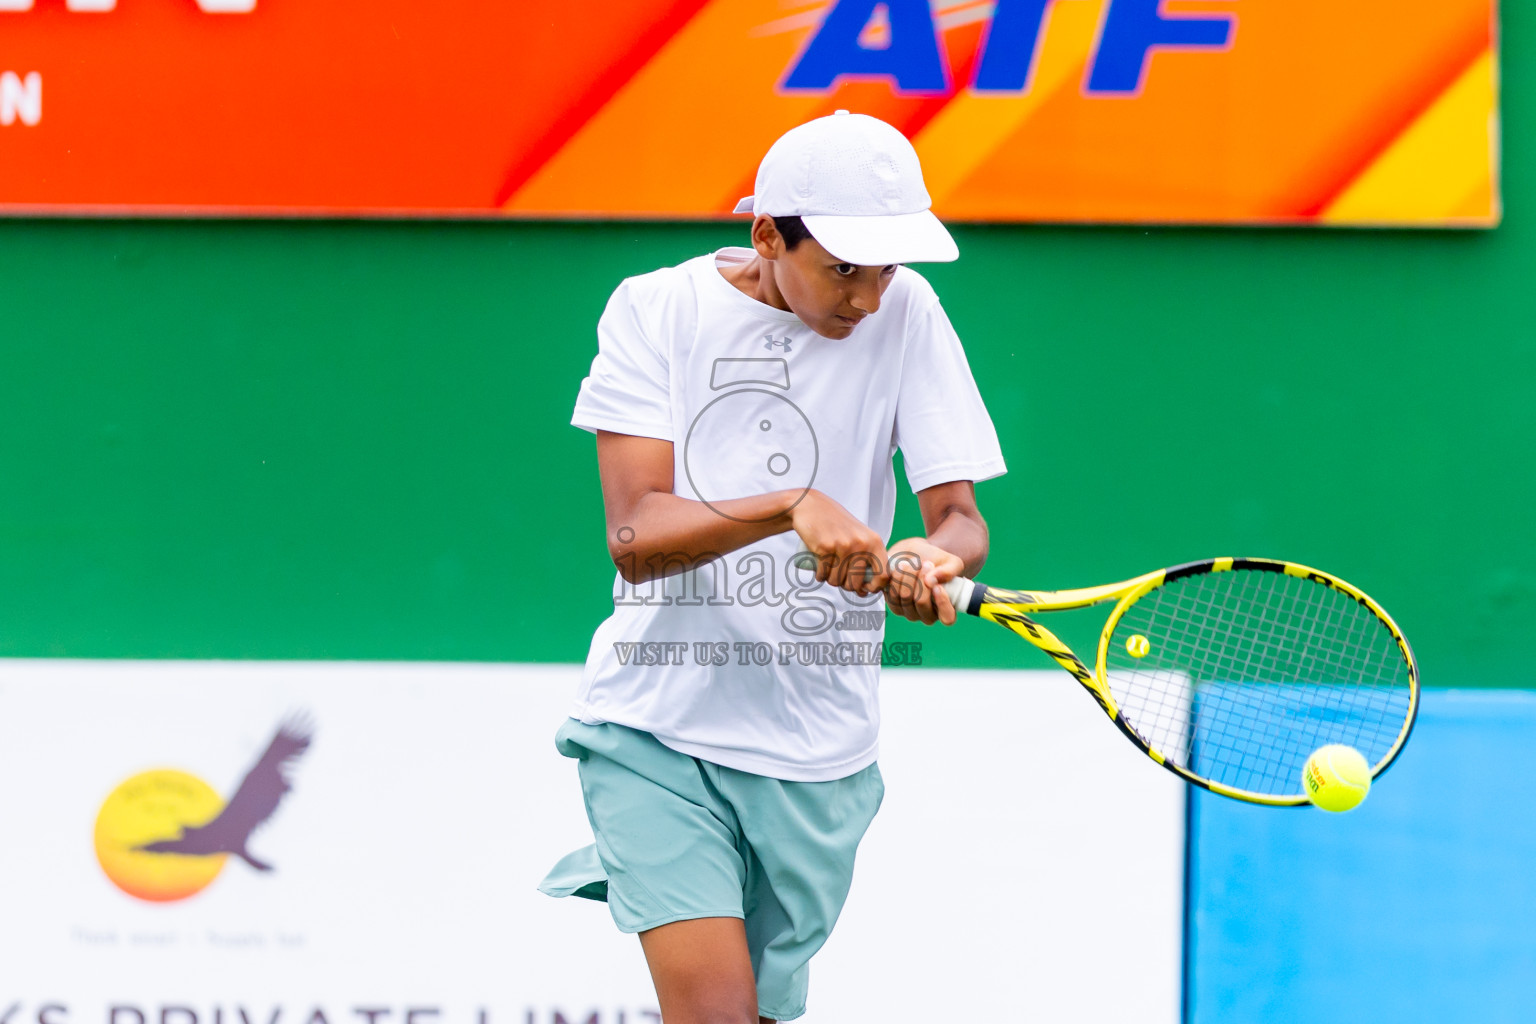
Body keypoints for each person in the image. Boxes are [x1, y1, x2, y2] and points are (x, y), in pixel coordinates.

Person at [539, 111, 1006, 1024]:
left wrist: (929, 558)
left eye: (885, 270)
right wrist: (789, 506)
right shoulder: (656, 307)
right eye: (843, 269)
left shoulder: (909, 310)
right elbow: (635, 536)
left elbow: (960, 520)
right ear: (767, 234)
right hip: (653, 731)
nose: (869, 297)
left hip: (823, 753)